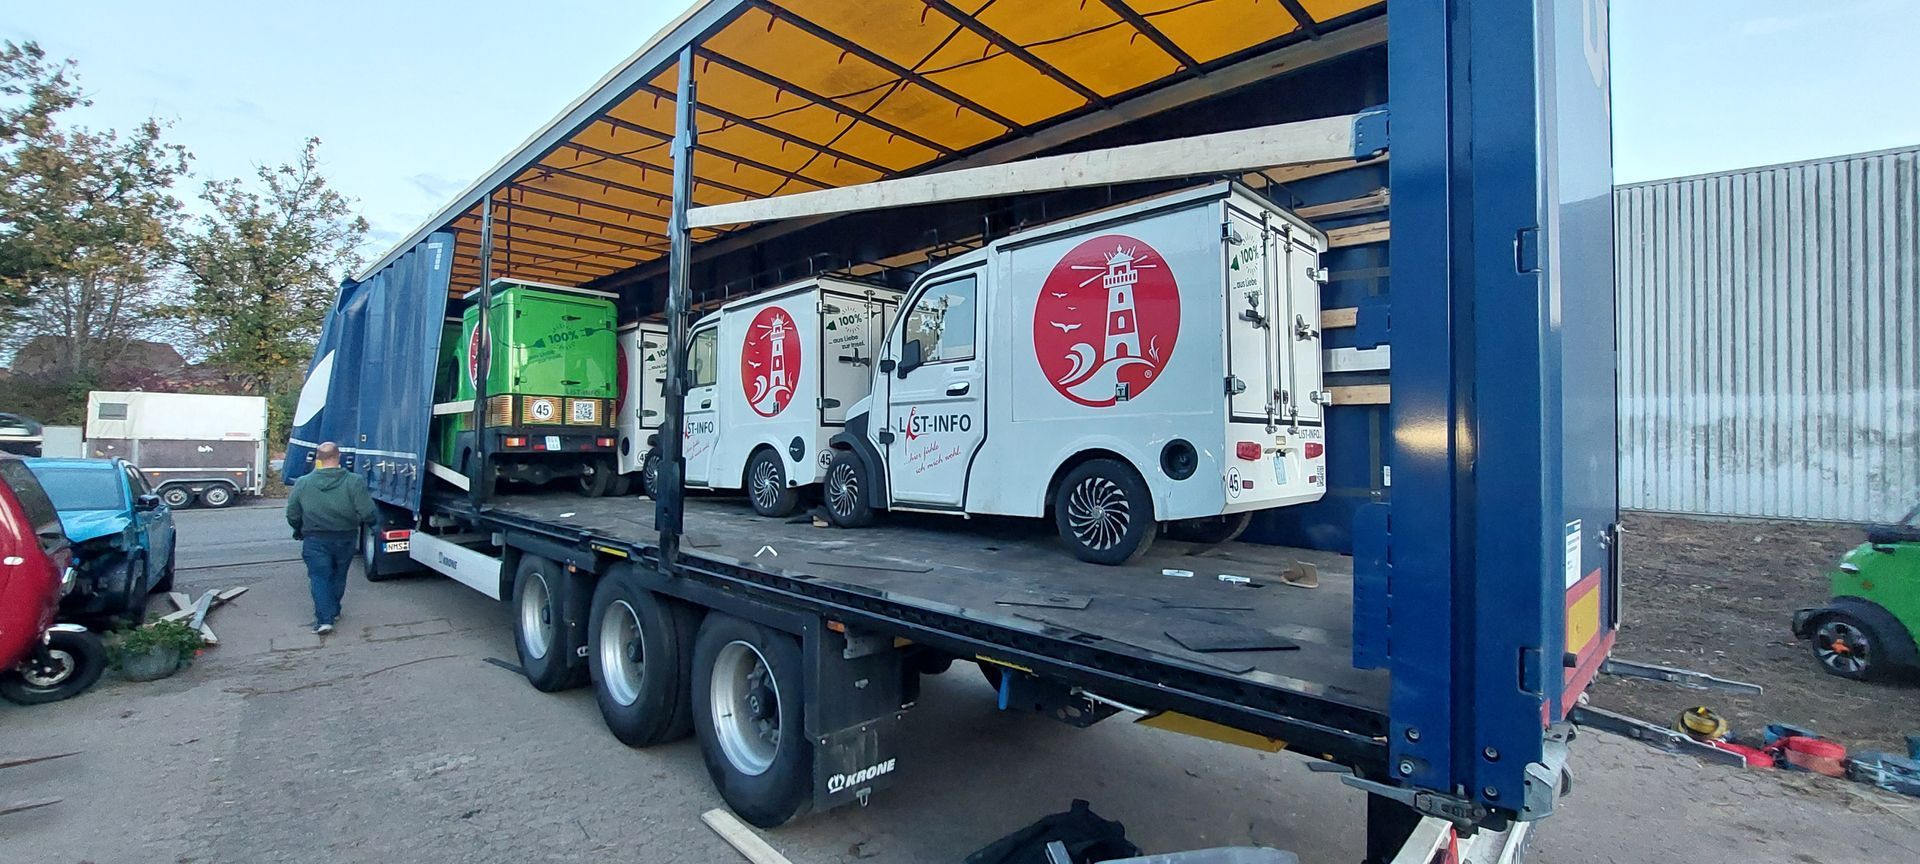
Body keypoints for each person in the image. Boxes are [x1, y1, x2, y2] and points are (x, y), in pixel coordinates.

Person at [284, 442, 376, 635]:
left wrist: (298, 529)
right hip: (346, 536)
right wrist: (371, 524)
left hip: (315, 538)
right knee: (339, 574)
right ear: (338, 456)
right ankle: (333, 610)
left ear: (318, 458)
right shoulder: (354, 481)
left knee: (319, 577)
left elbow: (292, 512)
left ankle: (324, 620)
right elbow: (367, 511)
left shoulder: (303, 482)